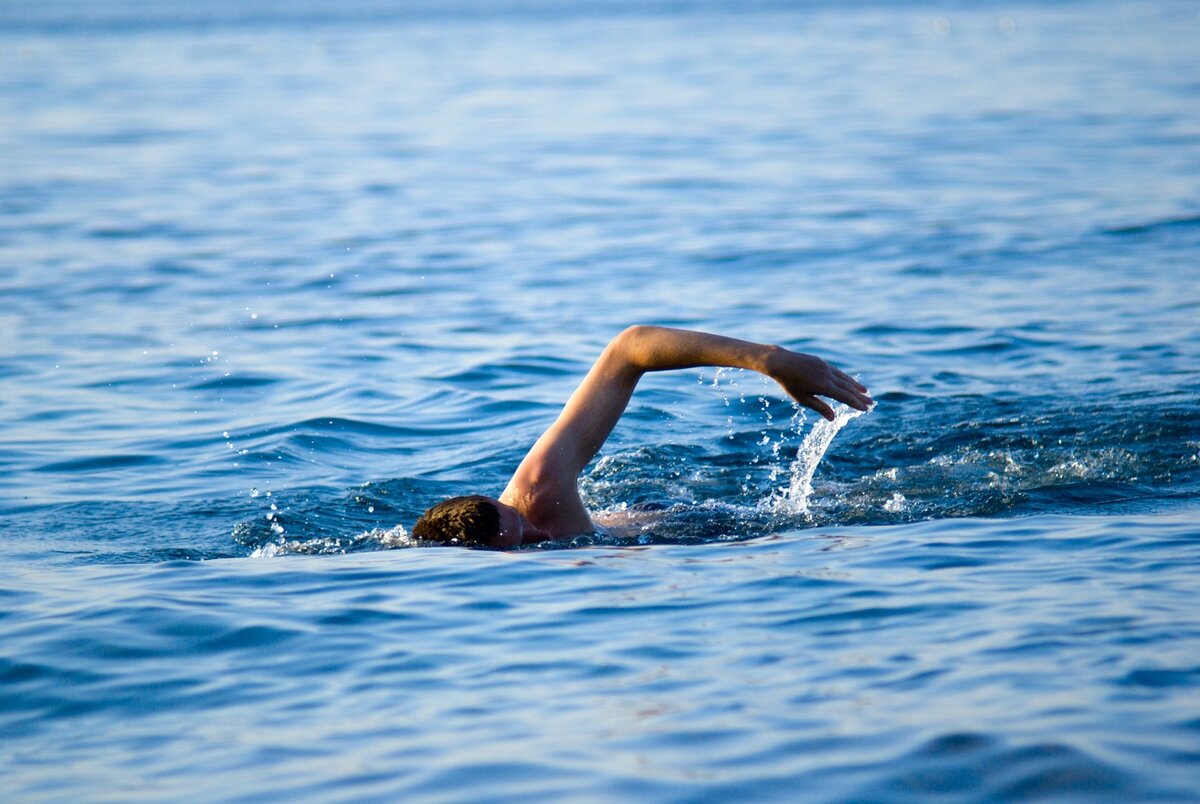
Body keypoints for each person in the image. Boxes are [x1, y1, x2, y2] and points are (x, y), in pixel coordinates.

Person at [412, 325, 872, 548]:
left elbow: (629, 348)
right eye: (524, 544)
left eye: (522, 522)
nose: (540, 533)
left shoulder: (540, 488)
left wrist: (767, 359)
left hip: (678, 517)